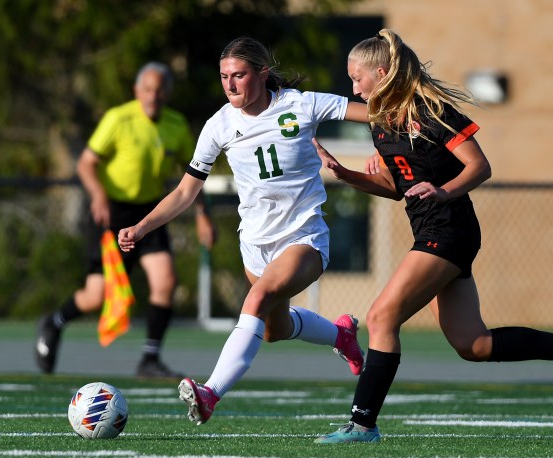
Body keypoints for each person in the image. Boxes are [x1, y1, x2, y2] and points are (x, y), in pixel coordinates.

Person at [312, 28, 553, 444]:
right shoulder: (382, 122)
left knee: (382, 316)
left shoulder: (432, 112)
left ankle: (362, 424)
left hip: (449, 229)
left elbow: (480, 166)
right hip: (432, 231)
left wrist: (443, 190)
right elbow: (397, 188)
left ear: (381, 73)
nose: (354, 86)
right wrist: (345, 174)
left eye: (357, 77)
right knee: (474, 345)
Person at [118, 36, 369, 425]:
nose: (230, 84)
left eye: (239, 75)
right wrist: (143, 226)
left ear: (262, 74)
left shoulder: (300, 105)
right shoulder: (219, 124)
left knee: (257, 297)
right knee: (274, 329)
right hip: (255, 244)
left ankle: (210, 393)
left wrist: (413, 113)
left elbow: (369, 112)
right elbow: (186, 190)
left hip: (303, 236)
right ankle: (342, 337)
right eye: (224, 77)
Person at [35, 62, 217, 378]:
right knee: (98, 295)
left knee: (166, 280)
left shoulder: (176, 126)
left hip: (148, 214)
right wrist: (98, 195)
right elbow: (86, 164)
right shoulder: (118, 119)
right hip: (111, 212)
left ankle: (150, 358)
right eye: (147, 89)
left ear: (168, 93)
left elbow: (192, 175)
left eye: (159, 89)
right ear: (137, 91)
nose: (153, 95)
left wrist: (203, 215)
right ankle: (54, 322)